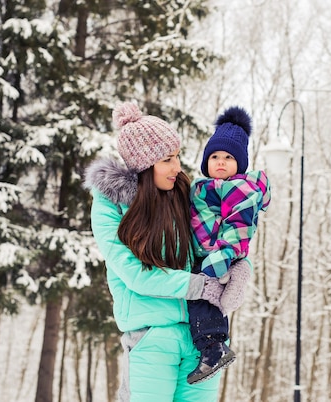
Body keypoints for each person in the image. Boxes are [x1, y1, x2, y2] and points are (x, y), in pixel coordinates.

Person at [84, 101, 246, 402]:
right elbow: (134, 274)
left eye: (178, 156)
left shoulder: (190, 193)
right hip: (152, 336)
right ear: (145, 164)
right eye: (167, 159)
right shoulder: (110, 204)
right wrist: (199, 286)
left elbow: (223, 235)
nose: (177, 167)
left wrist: (239, 268)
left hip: (203, 339)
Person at [186, 106, 271, 385]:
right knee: (200, 298)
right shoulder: (200, 187)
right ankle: (211, 347)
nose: (220, 162)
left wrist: (219, 261)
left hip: (220, 256)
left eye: (228, 157)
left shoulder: (241, 189)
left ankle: (213, 349)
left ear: (240, 163)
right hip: (202, 254)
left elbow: (239, 228)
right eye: (214, 156)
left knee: (203, 298)